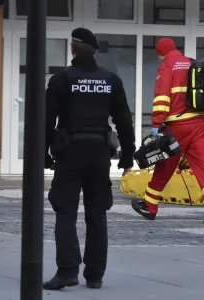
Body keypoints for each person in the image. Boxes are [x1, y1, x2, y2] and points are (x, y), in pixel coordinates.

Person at [43, 28, 136, 290]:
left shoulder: (61, 80)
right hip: (98, 153)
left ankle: (67, 271)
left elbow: (46, 121)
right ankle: (95, 275)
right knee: (96, 214)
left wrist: (43, 156)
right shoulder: (110, 80)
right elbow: (124, 120)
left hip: (70, 153)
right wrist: (127, 154)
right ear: (95, 51)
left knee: (65, 210)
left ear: (73, 49)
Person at [131, 38, 204, 225]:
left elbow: (162, 98)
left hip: (178, 126)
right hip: (200, 124)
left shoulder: (167, 66)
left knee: (165, 164)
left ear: (160, 53)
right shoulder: (192, 62)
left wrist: (157, 124)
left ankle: (149, 206)